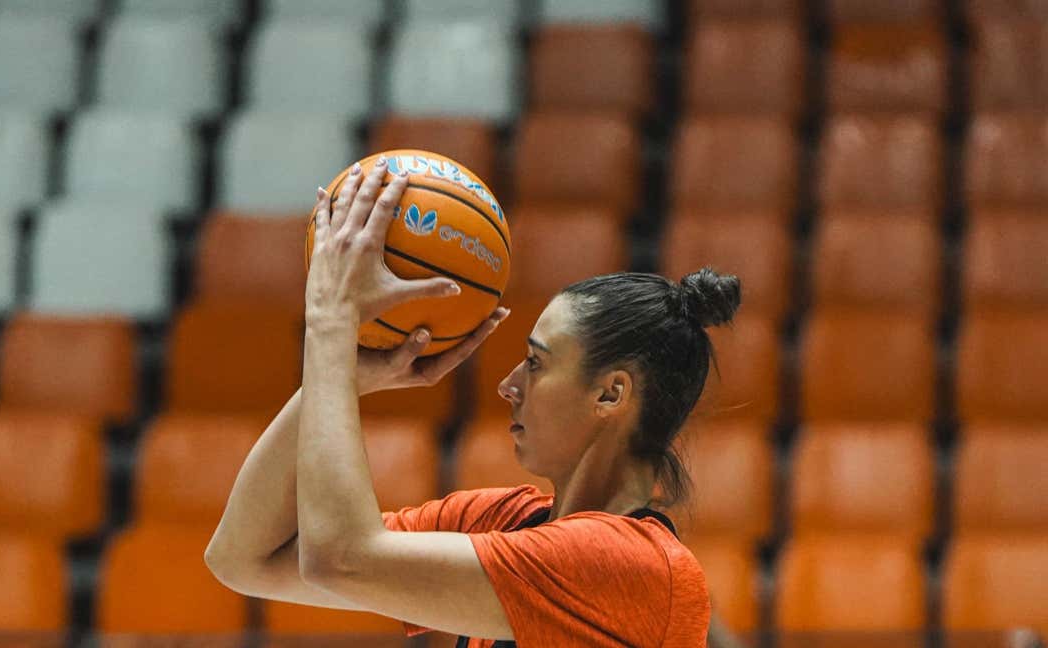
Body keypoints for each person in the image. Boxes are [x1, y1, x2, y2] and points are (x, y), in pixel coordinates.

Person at [204, 157, 745, 647]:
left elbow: (340, 557)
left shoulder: (634, 566)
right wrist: (342, 376)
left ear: (611, 393)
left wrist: (330, 325)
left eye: (536, 363)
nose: (509, 385)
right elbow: (243, 558)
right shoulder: (499, 520)